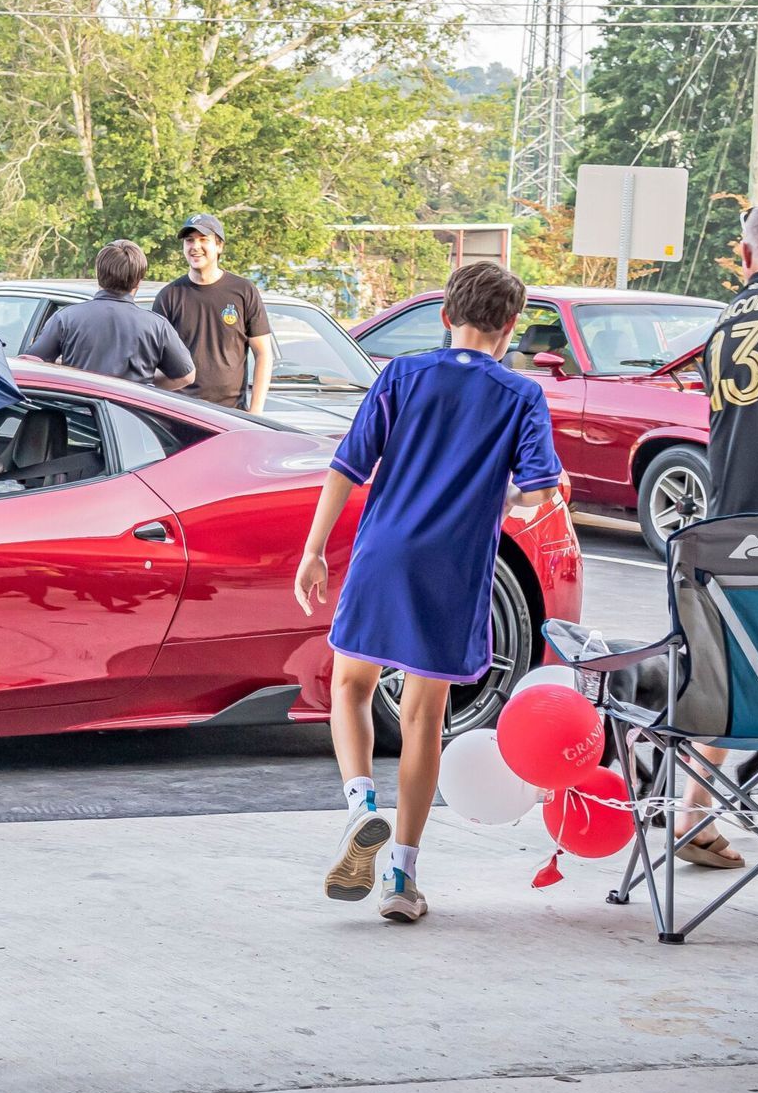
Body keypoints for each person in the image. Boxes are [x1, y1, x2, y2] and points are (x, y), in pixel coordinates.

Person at [293, 262, 562, 923]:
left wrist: (312, 549)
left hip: (383, 553)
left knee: (352, 687)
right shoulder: (520, 396)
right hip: (454, 569)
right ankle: (402, 879)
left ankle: (360, 807)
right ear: (508, 329)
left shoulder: (402, 375)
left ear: (446, 316)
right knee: (423, 719)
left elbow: (348, 467)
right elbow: (538, 491)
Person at [673, 194, 758, 866]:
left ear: (746, 258)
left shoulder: (723, 324)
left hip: (726, 543)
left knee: (736, 669)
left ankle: (694, 815)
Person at [22, 239, 195, 390]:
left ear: (98, 274)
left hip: (77, 422)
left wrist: (63, 370)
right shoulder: (157, 326)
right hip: (131, 420)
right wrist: (145, 388)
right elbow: (186, 376)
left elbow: (31, 363)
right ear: (139, 280)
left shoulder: (65, 318)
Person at [153, 214, 273, 411]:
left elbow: (263, 353)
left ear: (219, 246)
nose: (195, 247)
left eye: (203, 240)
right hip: (179, 414)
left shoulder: (243, 291)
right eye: (189, 240)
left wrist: (256, 412)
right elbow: (154, 362)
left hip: (231, 416)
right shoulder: (169, 296)